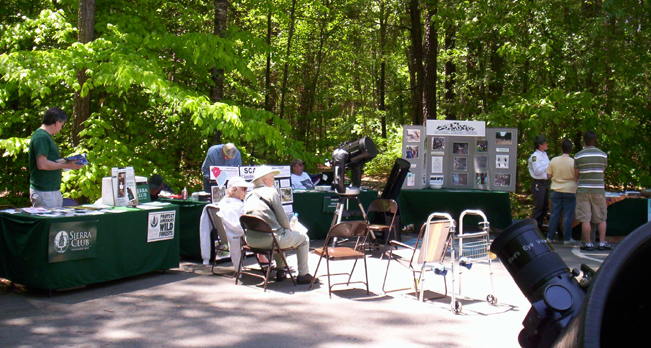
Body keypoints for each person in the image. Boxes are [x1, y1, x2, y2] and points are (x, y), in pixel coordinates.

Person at [243, 165, 318, 284]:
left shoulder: (248, 195)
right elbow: (283, 220)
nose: (273, 180)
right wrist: (290, 228)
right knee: (303, 239)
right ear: (264, 179)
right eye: (272, 177)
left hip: (251, 240)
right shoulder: (271, 192)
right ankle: (303, 274)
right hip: (271, 241)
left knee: (278, 233)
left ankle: (281, 270)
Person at [28, 107, 84, 208]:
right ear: (57, 123)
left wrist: (67, 163)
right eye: (62, 125)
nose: (61, 128)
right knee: (50, 223)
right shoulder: (41, 137)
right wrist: (67, 165)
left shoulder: (46, 136)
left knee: (57, 222)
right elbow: (42, 164)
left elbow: (50, 161)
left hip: (52, 191)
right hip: (44, 191)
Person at [575, 131, 610, 251]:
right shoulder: (603, 155)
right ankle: (601, 243)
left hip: (583, 190)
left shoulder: (578, 155)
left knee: (585, 218)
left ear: (584, 141)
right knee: (601, 217)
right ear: (595, 140)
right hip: (598, 189)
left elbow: (576, 174)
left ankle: (588, 243)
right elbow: (602, 170)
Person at [217, 176, 254, 272]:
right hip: (241, 237)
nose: (246, 192)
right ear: (233, 190)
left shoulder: (221, 203)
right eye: (243, 189)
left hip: (226, 237)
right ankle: (266, 264)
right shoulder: (238, 206)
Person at [546, 139, 577, 244]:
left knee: (554, 213)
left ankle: (550, 237)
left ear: (561, 148)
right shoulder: (573, 162)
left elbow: (549, 175)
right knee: (568, 215)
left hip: (556, 189)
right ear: (571, 150)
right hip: (570, 190)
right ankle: (567, 238)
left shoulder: (554, 160)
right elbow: (577, 176)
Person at [528, 134, 550, 231]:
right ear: (540, 145)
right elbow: (537, 171)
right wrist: (548, 167)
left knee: (544, 206)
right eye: (545, 143)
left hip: (545, 183)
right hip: (538, 183)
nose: (547, 144)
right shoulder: (535, 157)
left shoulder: (544, 155)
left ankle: (539, 228)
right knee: (539, 207)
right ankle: (533, 229)